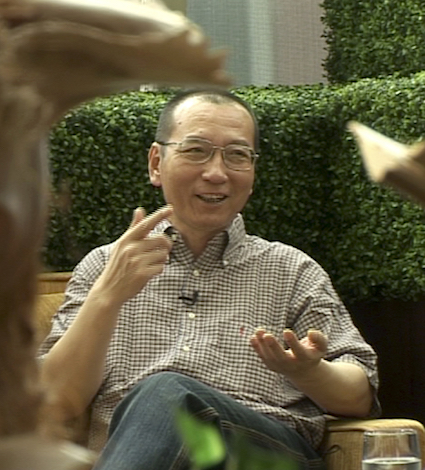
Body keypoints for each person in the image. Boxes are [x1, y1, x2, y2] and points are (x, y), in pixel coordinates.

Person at [38, 88, 380, 470]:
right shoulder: (105, 267)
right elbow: (54, 402)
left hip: (263, 454)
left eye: (237, 155)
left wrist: (309, 371)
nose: (216, 173)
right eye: (196, 150)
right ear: (156, 163)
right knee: (164, 399)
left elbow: (359, 395)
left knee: (168, 394)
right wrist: (107, 297)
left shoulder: (291, 270)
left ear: (252, 173)